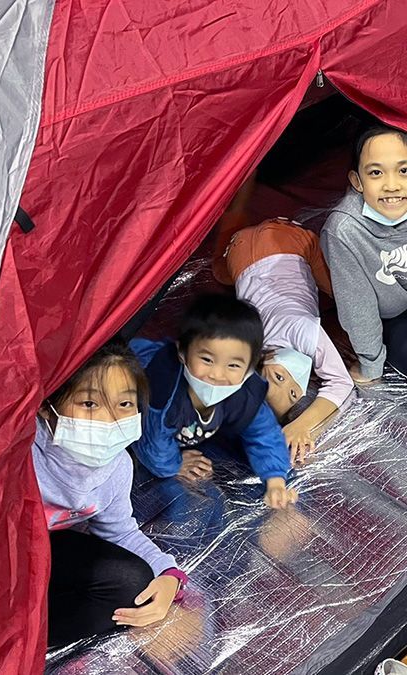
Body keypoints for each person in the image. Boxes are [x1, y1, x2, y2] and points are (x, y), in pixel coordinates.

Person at [34, 340, 186, 647]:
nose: (110, 420)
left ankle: (27, 637)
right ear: (47, 406)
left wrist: (169, 574)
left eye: (125, 404)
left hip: (47, 550)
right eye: (90, 404)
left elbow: (120, 532)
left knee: (135, 585)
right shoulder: (22, 452)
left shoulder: (117, 466)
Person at [320, 125, 407, 386]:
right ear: (357, 181)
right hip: (393, 313)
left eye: (404, 171)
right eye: (376, 173)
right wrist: (371, 365)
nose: (391, 186)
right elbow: (357, 305)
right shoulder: (344, 231)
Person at [130, 293, 297, 509]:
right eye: (207, 359)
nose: (217, 374)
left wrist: (275, 480)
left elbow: (264, 432)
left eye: (233, 365)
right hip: (138, 365)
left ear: (249, 367)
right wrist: (174, 464)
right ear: (182, 352)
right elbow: (152, 442)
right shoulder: (162, 389)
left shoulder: (244, 393)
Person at [223, 216, 353, 463]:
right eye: (293, 393)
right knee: (222, 272)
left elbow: (342, 383)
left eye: (278, 378)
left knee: (348, 297)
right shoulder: (244, 346)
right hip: (239, 252)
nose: (291, 378)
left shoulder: (300, 328)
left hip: (286, 240)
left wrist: (301, 426)